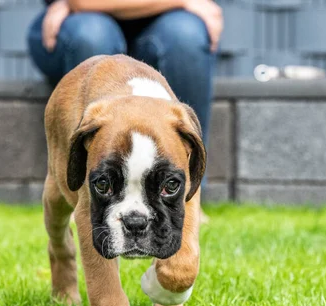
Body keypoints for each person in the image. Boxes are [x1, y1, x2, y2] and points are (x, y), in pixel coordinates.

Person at [27, 0, 222, 222]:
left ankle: (185, 195)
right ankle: (91, 195)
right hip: (76, 26)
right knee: (92, 34)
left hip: (160, 23)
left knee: (185, 36)